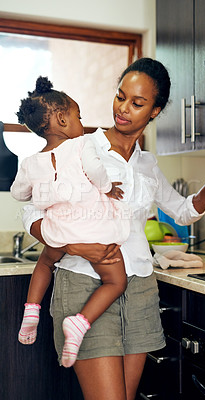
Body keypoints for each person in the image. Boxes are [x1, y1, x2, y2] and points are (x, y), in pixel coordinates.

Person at [22, 58, 205, 400]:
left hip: (139, 288)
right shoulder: (80, 147)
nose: (123, 109)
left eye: (137, 103)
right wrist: (78, 247)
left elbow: (182, 213)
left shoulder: (148, 163)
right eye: (120, 96)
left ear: (155, 111)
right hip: (83, 284)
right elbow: (31, 212)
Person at [11, 76, 131, 368]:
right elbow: (96, 170)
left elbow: (18, 193)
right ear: (63, 119)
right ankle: (80, 323)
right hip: (92, 229)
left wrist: (37, 186)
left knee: (44, 264)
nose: (81, 122)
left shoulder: (29, 162)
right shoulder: (82, 145)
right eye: (78, 116)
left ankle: (31, 310)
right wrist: (107, 188)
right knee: (116, 281)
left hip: (57, 231)